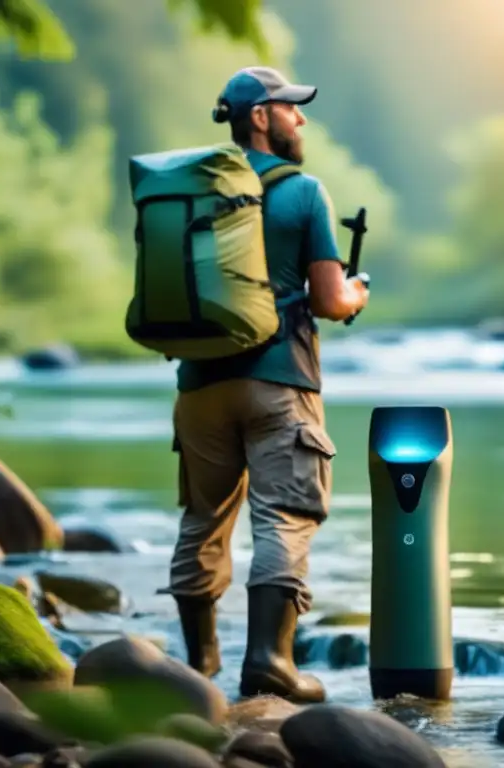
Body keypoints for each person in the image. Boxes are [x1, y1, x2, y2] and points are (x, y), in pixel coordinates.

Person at [162, 66, 370, 703]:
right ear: (260, 117)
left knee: (203, 520)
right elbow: (332, 300)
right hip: (278, 382)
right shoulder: (303, 192)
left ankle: (198, 668)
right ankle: (270, 663)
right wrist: (358, 291)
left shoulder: (190, 192)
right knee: (284, 515)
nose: (300, 118)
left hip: (199, 387)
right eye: (289, 107)